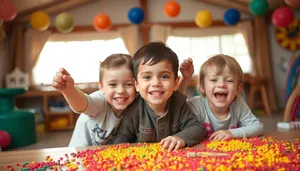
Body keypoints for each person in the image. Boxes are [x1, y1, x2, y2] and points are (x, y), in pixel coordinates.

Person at [112, 42, 205, 152]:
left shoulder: (179, 103)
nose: (156, 83)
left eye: (164, 76)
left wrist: (180, 138)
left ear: (175, 83)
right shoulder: (134, 108)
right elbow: (121, 139)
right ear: (136, 84)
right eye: (147, 77)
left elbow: (197, 128)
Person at [51, 54, 136, 147]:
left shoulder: (136, 103)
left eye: (128, 84)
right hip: (80, 152)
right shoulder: (100, 101)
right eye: (112, 85)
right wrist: (69, 91)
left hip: (107, 154)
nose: (120, 91)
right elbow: (82, 105)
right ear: (101, 87)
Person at [178, 55, 264, 141]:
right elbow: (177, 106)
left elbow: (258, 127)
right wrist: (185, 79)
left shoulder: (238, 104)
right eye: (214, 80)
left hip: (231, 152)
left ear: (238, 88)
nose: (221, 85)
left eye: (229, 80)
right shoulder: (196, 105)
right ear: (202, 87)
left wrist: (232, 133)